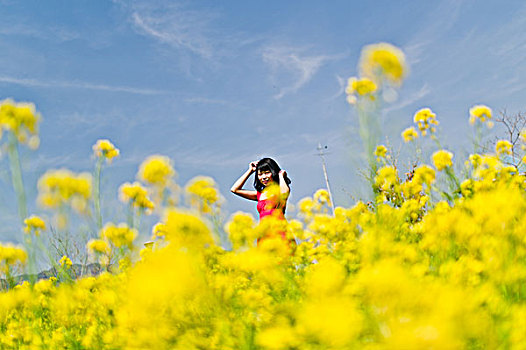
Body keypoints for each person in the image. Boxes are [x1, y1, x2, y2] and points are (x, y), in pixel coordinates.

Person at [231, 158, 292, 243]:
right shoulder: (259, 195)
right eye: (260, 174)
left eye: (267, 173)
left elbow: (285, 193)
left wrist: (281, 176)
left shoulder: (279, 190)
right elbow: (235, 189)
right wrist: (250, 171)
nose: (263, 177)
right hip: (264, 235)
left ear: (274, 172)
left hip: (280, 234)